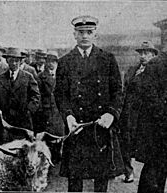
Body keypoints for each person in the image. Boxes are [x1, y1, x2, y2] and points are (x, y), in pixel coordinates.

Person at [54, 15, 124, 192]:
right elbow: (60, 95)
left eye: (89, 32)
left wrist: (111, 114)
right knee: (75, 180)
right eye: (81, 32)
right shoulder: (64, 62)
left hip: (100, 126)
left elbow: (117, 91)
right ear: (74, 35)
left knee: (101, 179)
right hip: (76, 128)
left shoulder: (107, 59)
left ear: (95, 35)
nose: (85, 36)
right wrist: (68, 116)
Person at [119, 41, 167, 193]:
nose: (143, 56)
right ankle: (128, 171)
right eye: (141, 53)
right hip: (138, 118)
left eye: (147, 53)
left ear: (153, 54)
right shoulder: (141, 69)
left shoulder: (156, 67)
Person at [0, 47, 40, 131]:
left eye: (16, 61)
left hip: (23, 122)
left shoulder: (28, 77)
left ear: (20, 61)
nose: (14, 63)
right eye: (11, 60)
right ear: (7, 61)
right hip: (5, 122)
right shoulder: (0, 78)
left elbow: (36, 97)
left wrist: (28, 111)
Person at [36, 50, 65, 164]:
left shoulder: (61, 76)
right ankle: (49, 158)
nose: (51, 64)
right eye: (49, 61)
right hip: (47, 111)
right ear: (46, 62)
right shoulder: (40, 77)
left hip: (58, 111)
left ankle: (57, 158)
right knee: (48, 137)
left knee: (59, 135)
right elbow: (38, 96)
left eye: (54, 61)